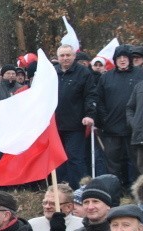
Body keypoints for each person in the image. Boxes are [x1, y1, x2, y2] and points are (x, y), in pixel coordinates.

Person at [96, 45, 143, 189]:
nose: (122, 60)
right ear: (115, 60)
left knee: (136, 161)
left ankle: (136, 189)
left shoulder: (140, 75)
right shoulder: (106, 77)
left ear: (129, 59)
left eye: (125, 57)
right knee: (113, 162)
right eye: (119, 58)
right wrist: (104, 120)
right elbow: (99, 101)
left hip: (134, 127)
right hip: (112, 127)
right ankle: (116, 189)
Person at [54, 44, 98, 188]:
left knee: (75, 157)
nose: (65, 58)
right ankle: (61, 189)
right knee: (58, 158)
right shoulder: (52, 73)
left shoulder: (84, 73)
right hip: (55, 126)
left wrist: (90, 115)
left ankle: (79, 188)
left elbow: (90, 95)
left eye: (68, 55)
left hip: (75, 124)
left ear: (74, 56)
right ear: (58, 57)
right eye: (62, 55)